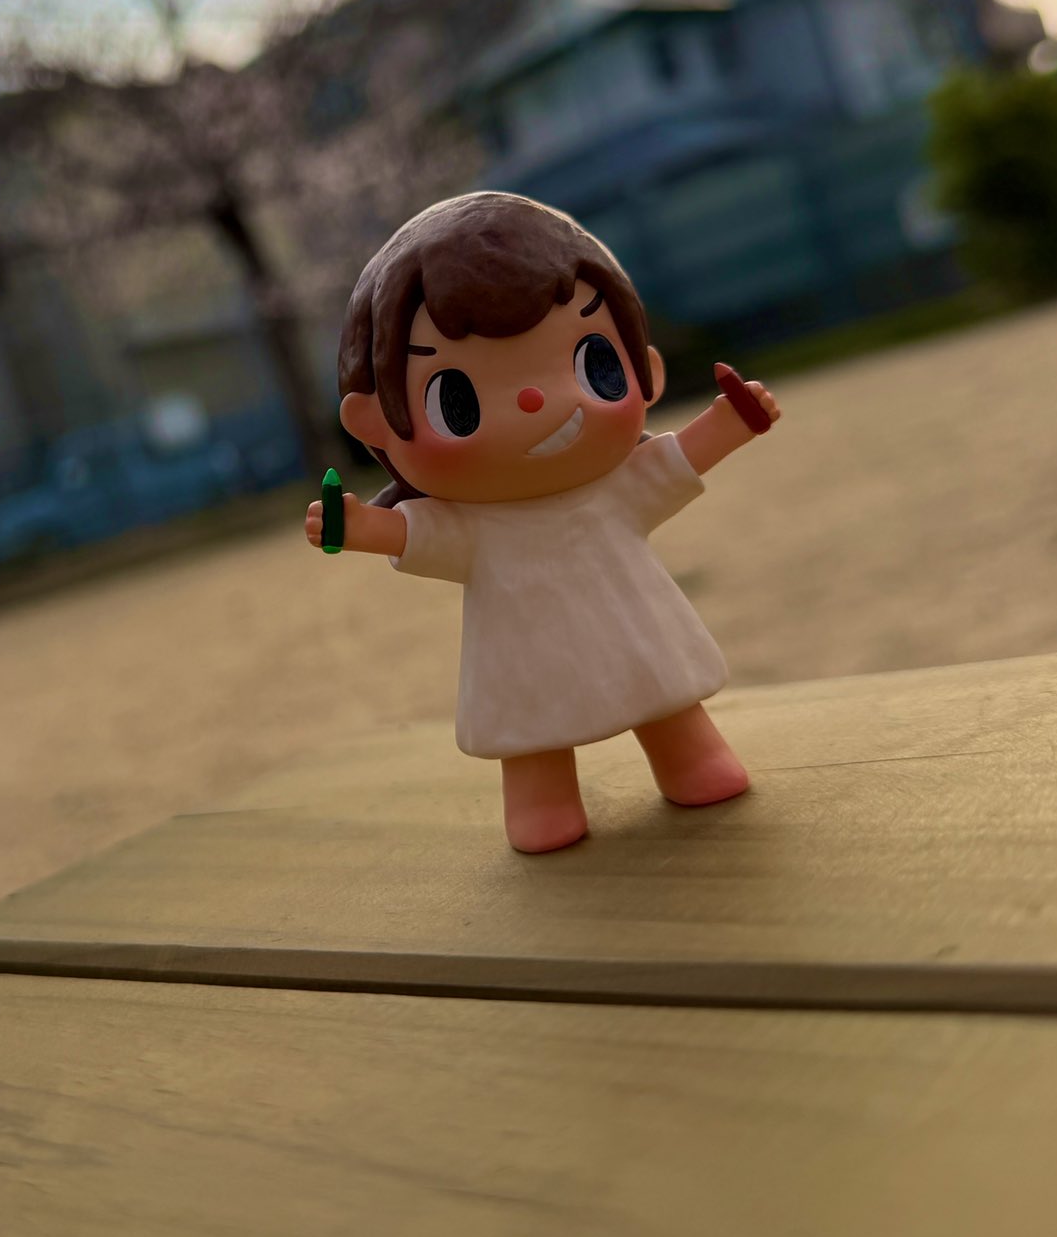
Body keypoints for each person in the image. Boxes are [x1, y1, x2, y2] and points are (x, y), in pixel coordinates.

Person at [305, 192, 782, 853]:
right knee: (531, 731)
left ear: (645, 370)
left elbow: (676, 458)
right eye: (457, 400)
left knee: (663, 693)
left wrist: (733, 422)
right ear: (375, 424)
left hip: (631, 627)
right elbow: (416, 532)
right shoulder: (474, 525)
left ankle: (689, 760)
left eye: (595, 362)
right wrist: (353, 529)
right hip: (522, 656)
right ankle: (543, 799)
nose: (536, 400)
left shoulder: (617, 488)